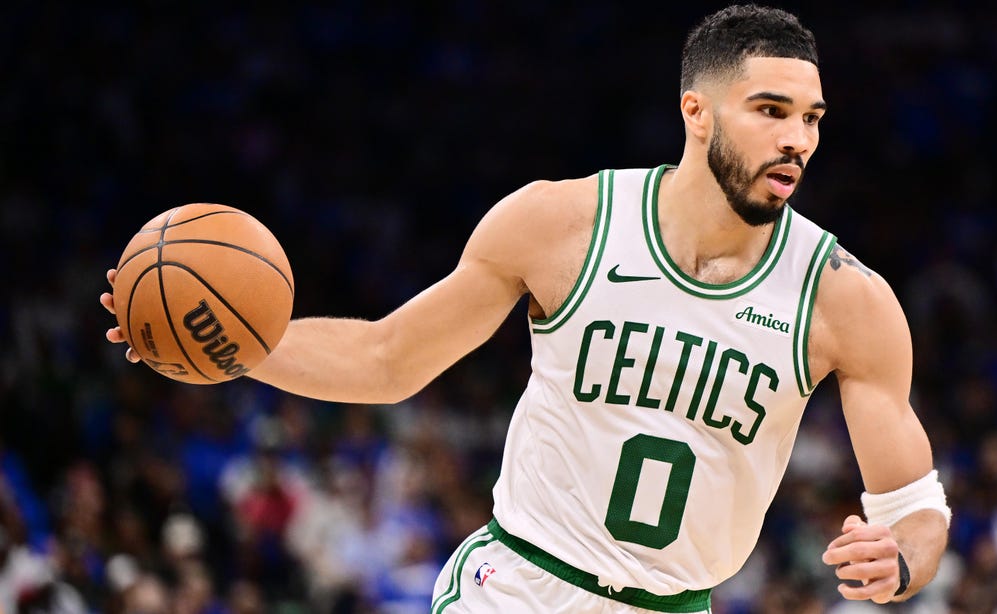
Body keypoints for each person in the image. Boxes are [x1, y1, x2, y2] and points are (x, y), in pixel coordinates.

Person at [101, 5, 951, 612]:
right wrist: (232, 347)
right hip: (518, 587)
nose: (797, 139)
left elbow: (915, 507)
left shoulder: (846, 299)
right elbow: (388, 360)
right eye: (770, 111)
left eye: (811, 118)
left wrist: (902, 561)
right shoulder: (562, 225)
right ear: (696, 112)